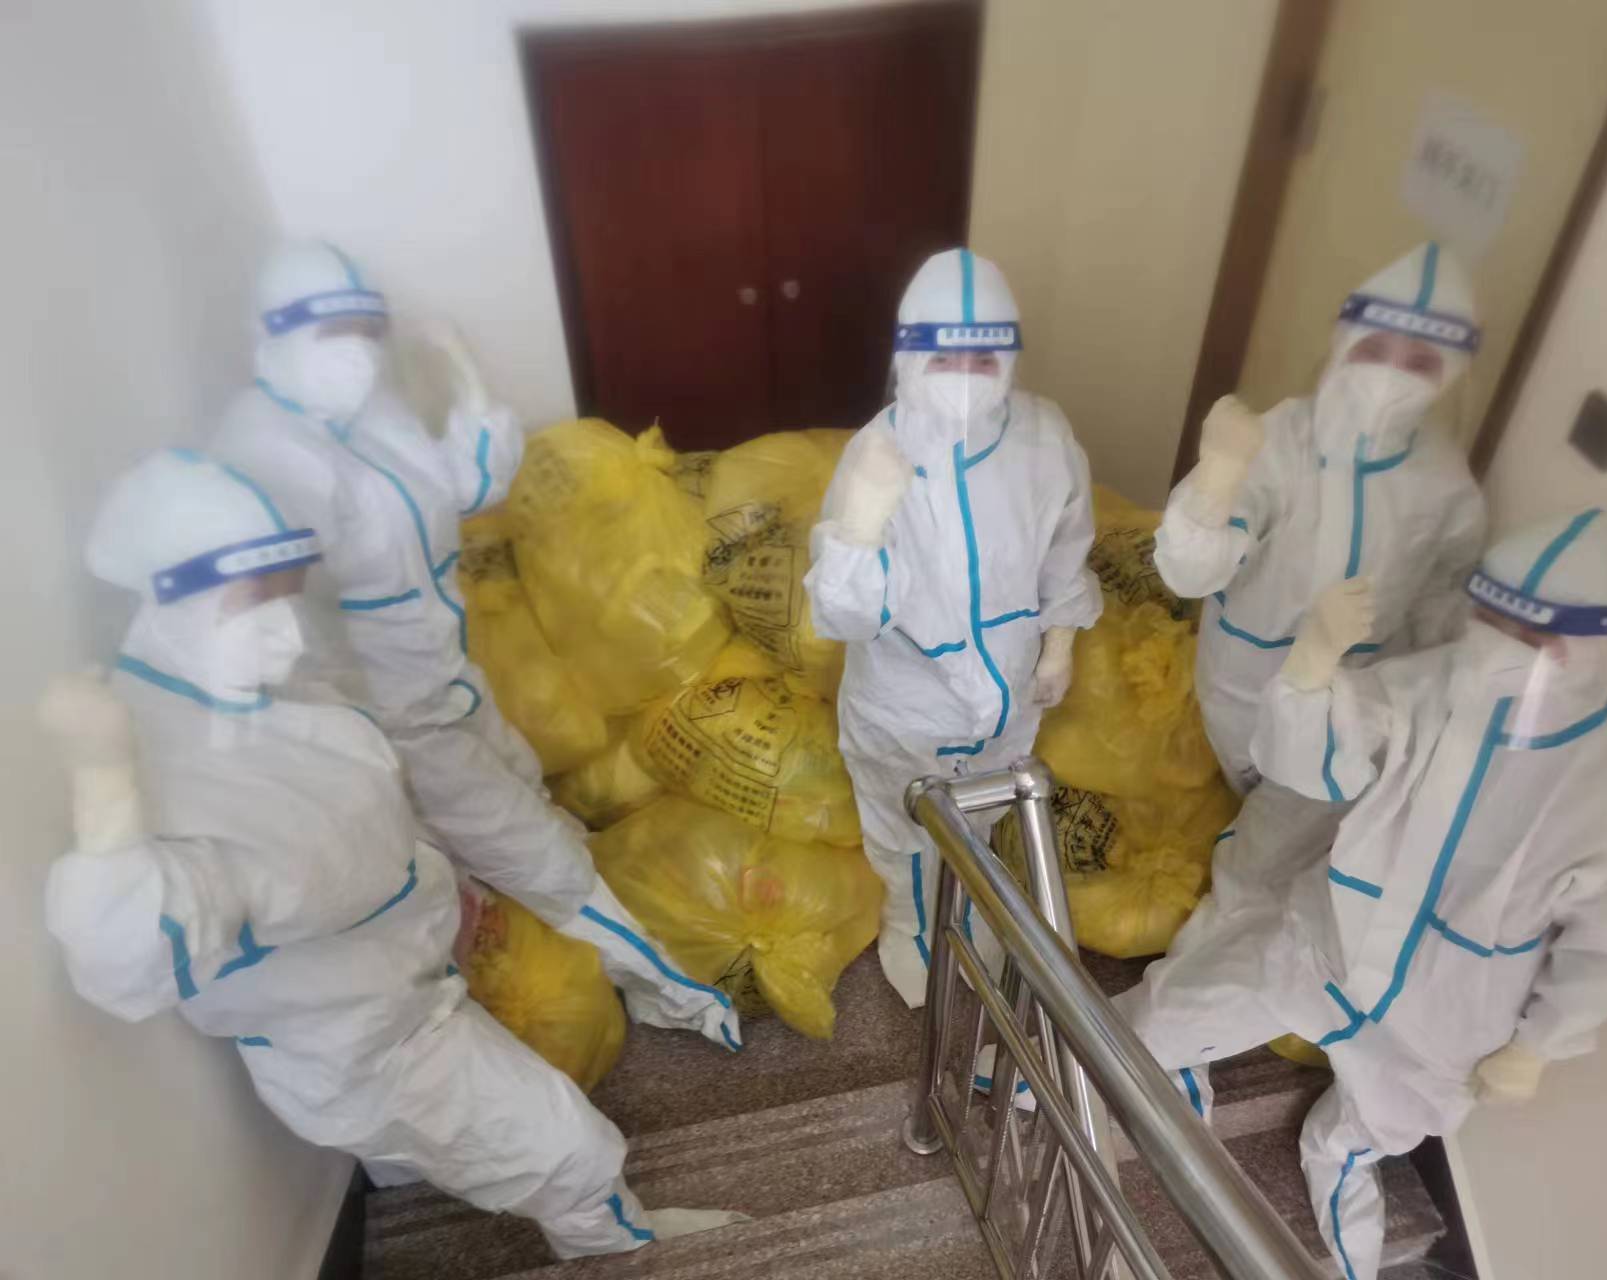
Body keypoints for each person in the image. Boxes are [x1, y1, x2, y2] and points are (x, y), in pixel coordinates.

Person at [41, 451, 744, 1258]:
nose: (285, 633)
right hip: (368, 1053)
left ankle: (420, 1178)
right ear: (171, 596)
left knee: (447, 1146)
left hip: (406, 989)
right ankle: (623, 1252)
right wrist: (102, 783)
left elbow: (354, 818)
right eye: (253, 604)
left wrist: (444, 881)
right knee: (568, 1149)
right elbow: (125, 960)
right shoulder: (172, 776)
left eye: (284, 596)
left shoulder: (249, 695)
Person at [1115, 509, 1607, 1280]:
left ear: (1578, 647)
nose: (1494, 645)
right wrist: (1311, 670)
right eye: (1489, 618)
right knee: (1183, 1005)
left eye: (1522, 633)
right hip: (1329, 938)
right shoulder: (1436, 685)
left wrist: (1539, 1045)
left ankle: (1341, 1153)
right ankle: (1068, 1056)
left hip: (1447, 1011)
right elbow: (1317, 759)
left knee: (1382, 1121)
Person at [211, 242, 737, 1049]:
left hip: (452, 680)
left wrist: (463, 378)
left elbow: (468, 485)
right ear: (271, 336)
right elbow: (276, 640)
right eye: (328, 334)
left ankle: (609, 927)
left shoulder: (371, 417)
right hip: (397, 726)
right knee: (540, 859)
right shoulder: (265, 462)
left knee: (531, 795)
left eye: (363, 332)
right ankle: (675, 992)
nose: (354, 355)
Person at [804, 248, 1103, 1006]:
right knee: (907, 832)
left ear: (1010, 357)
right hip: (907, 703)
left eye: (982, 356)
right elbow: (843, 615)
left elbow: (1066, 546)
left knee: (984, 818)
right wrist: (859, 529)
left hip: (1010, 692)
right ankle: (913, 927)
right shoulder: (877, 454)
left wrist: (1060, 642)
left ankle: (968, 912)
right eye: (944, 356)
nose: (965, 375)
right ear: (909, 356)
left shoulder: (1043, 437)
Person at [1158, 242, 1487, 798]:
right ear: (1344, 342)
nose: (1391, 376)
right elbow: (1188, 573)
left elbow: (1443, 594)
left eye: (1420, 363)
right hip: (1244, 681)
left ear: (1451, 375)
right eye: (1375, 350)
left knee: (1300, 799)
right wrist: (1218, 478)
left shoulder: (1445, 481)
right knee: (1244, 785)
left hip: (1354, 694)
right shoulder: (1280, 442)